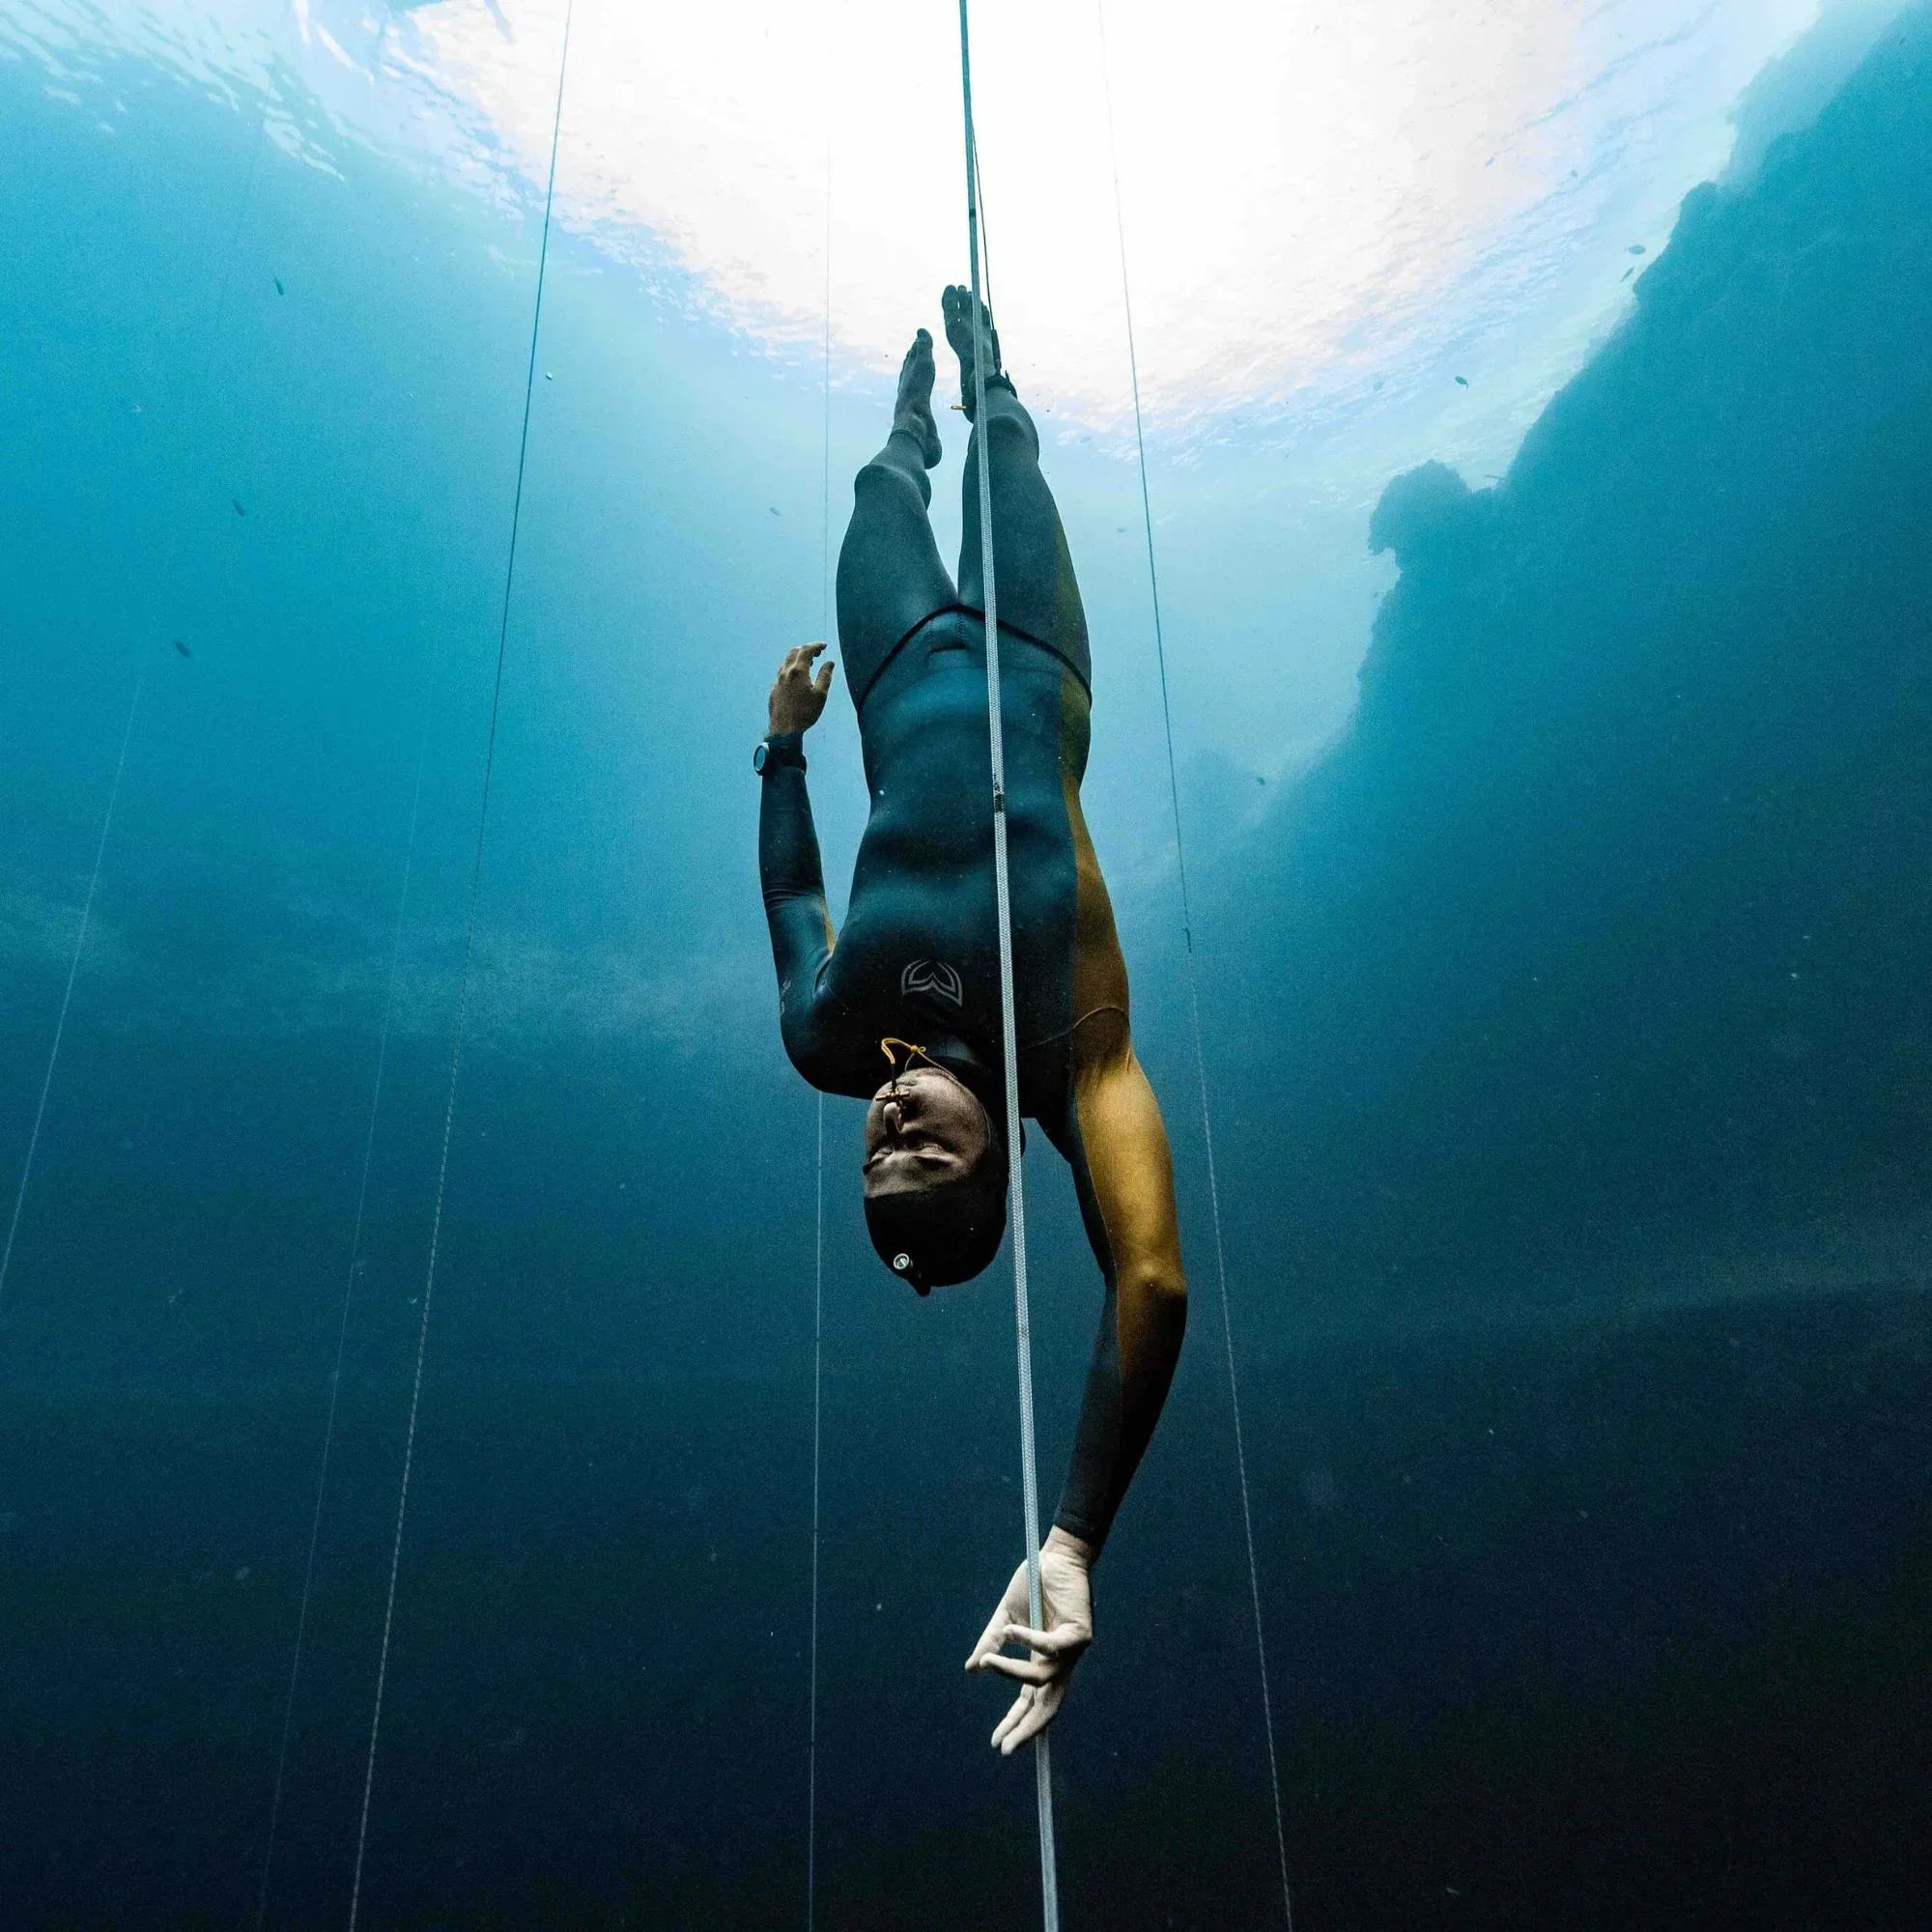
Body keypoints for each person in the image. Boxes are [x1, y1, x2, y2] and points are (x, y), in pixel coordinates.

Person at [756, 287, 1186, 1755]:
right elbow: (1152, 1281)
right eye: (927, 1160)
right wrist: (1073, 1540)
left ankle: (906, 408)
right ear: (999, 1163)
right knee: (1009, 442)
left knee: (886, 478)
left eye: (876, 1160)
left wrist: (779, 753)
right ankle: (990, 371)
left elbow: (796, 911)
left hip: (884, 680)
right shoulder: (1074, 1052)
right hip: (1032, 661)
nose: (890, 1130)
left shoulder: (832, 1037)